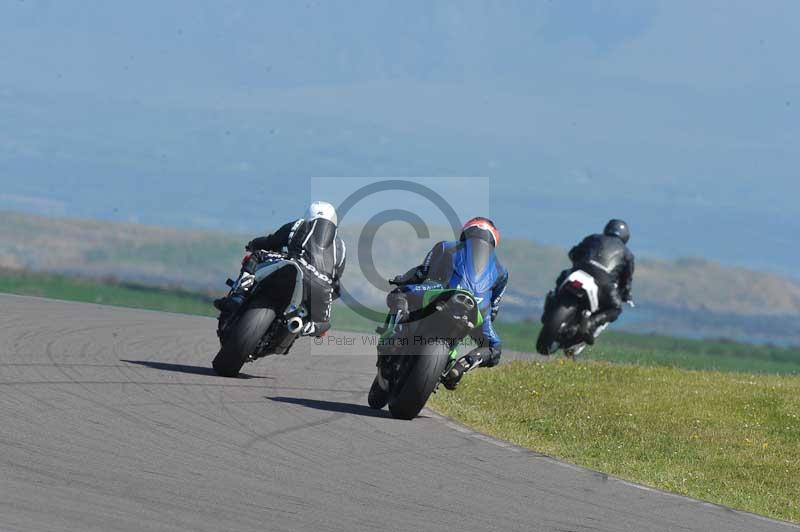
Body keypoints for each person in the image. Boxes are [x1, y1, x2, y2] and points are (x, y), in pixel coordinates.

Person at [378, 217, 508, 390]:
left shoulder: (446, 246)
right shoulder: (501, 271)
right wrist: (483, 318)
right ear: (493, 240)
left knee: (399, 294)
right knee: (494, 348)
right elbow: (493, 309)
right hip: (477, 308)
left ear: (466, 232)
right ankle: (460, 367)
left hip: (443, 292)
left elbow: (422, 273)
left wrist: (402, 280)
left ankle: (394, 335)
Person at [214, 201, 346, 330]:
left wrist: (253, 244)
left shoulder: (299, 224)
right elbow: (336, 283)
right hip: (320, 286)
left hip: (295, 264)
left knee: (257, 256)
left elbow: (271, 241)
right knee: (320, 325)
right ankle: (304, 323)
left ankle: (239, 295)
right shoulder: (341, 247)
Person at [548, 219, 634, 345]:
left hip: (581, 269)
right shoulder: (627, 254)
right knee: (615, 307)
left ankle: (553, 301)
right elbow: (626, 280)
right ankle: (590, 324)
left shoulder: (593, 238)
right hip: (603, 280)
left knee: (563, 276)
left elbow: (573, 253)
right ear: (626, 237)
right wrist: (626, 294)